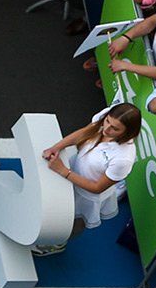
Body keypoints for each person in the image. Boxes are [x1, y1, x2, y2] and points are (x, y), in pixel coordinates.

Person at [39, 103, 142, 249]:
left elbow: (97, 187)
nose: (106, 129)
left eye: (115, 128)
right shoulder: (105, 117)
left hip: (86, 195)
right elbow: (85, 133)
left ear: (128, 132)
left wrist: (63, 171)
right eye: (107, 121)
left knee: (74, 222)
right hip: (71, 174)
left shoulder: (123, 159)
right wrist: (56, 147)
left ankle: (57, 244)